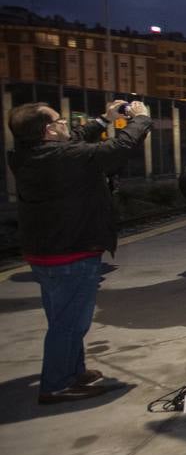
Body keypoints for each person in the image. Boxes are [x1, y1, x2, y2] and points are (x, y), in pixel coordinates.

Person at [6, 99, 152, 404]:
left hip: (46, 252)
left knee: (62, 318)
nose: (65, 126)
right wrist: (140, 119)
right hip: (71, 253)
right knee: (69, 324)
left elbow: (72, 140)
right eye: (59, 122)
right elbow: (117, 150)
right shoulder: (65, 157)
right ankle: (57, 384)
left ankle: (73, 370)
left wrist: (103, 119)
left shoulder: (27, 155)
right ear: (48, 131)